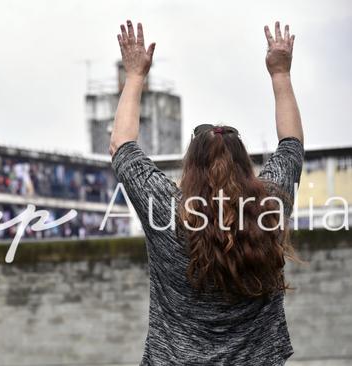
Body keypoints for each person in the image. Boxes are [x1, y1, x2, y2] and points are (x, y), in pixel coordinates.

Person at [110, 20, 303, 365]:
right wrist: (280, 75)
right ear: (245, 165)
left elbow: (122, 146)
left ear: (190, 167)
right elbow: (292, 145)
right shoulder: (269, 207)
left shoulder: (165, 212)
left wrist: (135, 75)